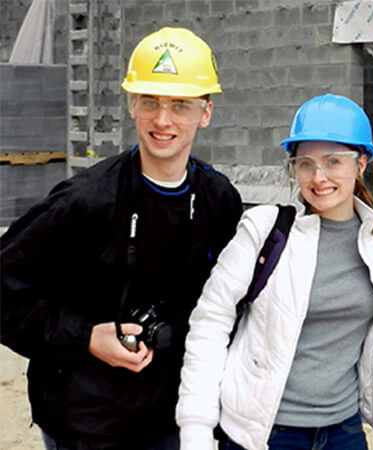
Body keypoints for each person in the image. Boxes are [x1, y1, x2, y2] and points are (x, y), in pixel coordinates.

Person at [0, 27, 242, 450]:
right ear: (132, 104)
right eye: (150, 101)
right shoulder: (85, 202)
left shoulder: (218, 200)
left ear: (206, 112)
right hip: (87, 425)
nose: (162, 120)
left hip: (175, 420)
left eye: (180, 105)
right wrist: (85, 337)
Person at [175, 94, 373, 450]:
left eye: (333, 161)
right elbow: (210, 323)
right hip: (267, 432)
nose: (318, 176)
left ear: (361, 164)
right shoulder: (264, 230)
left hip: (343, 430)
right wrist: (196, 428)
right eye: (306, 163)